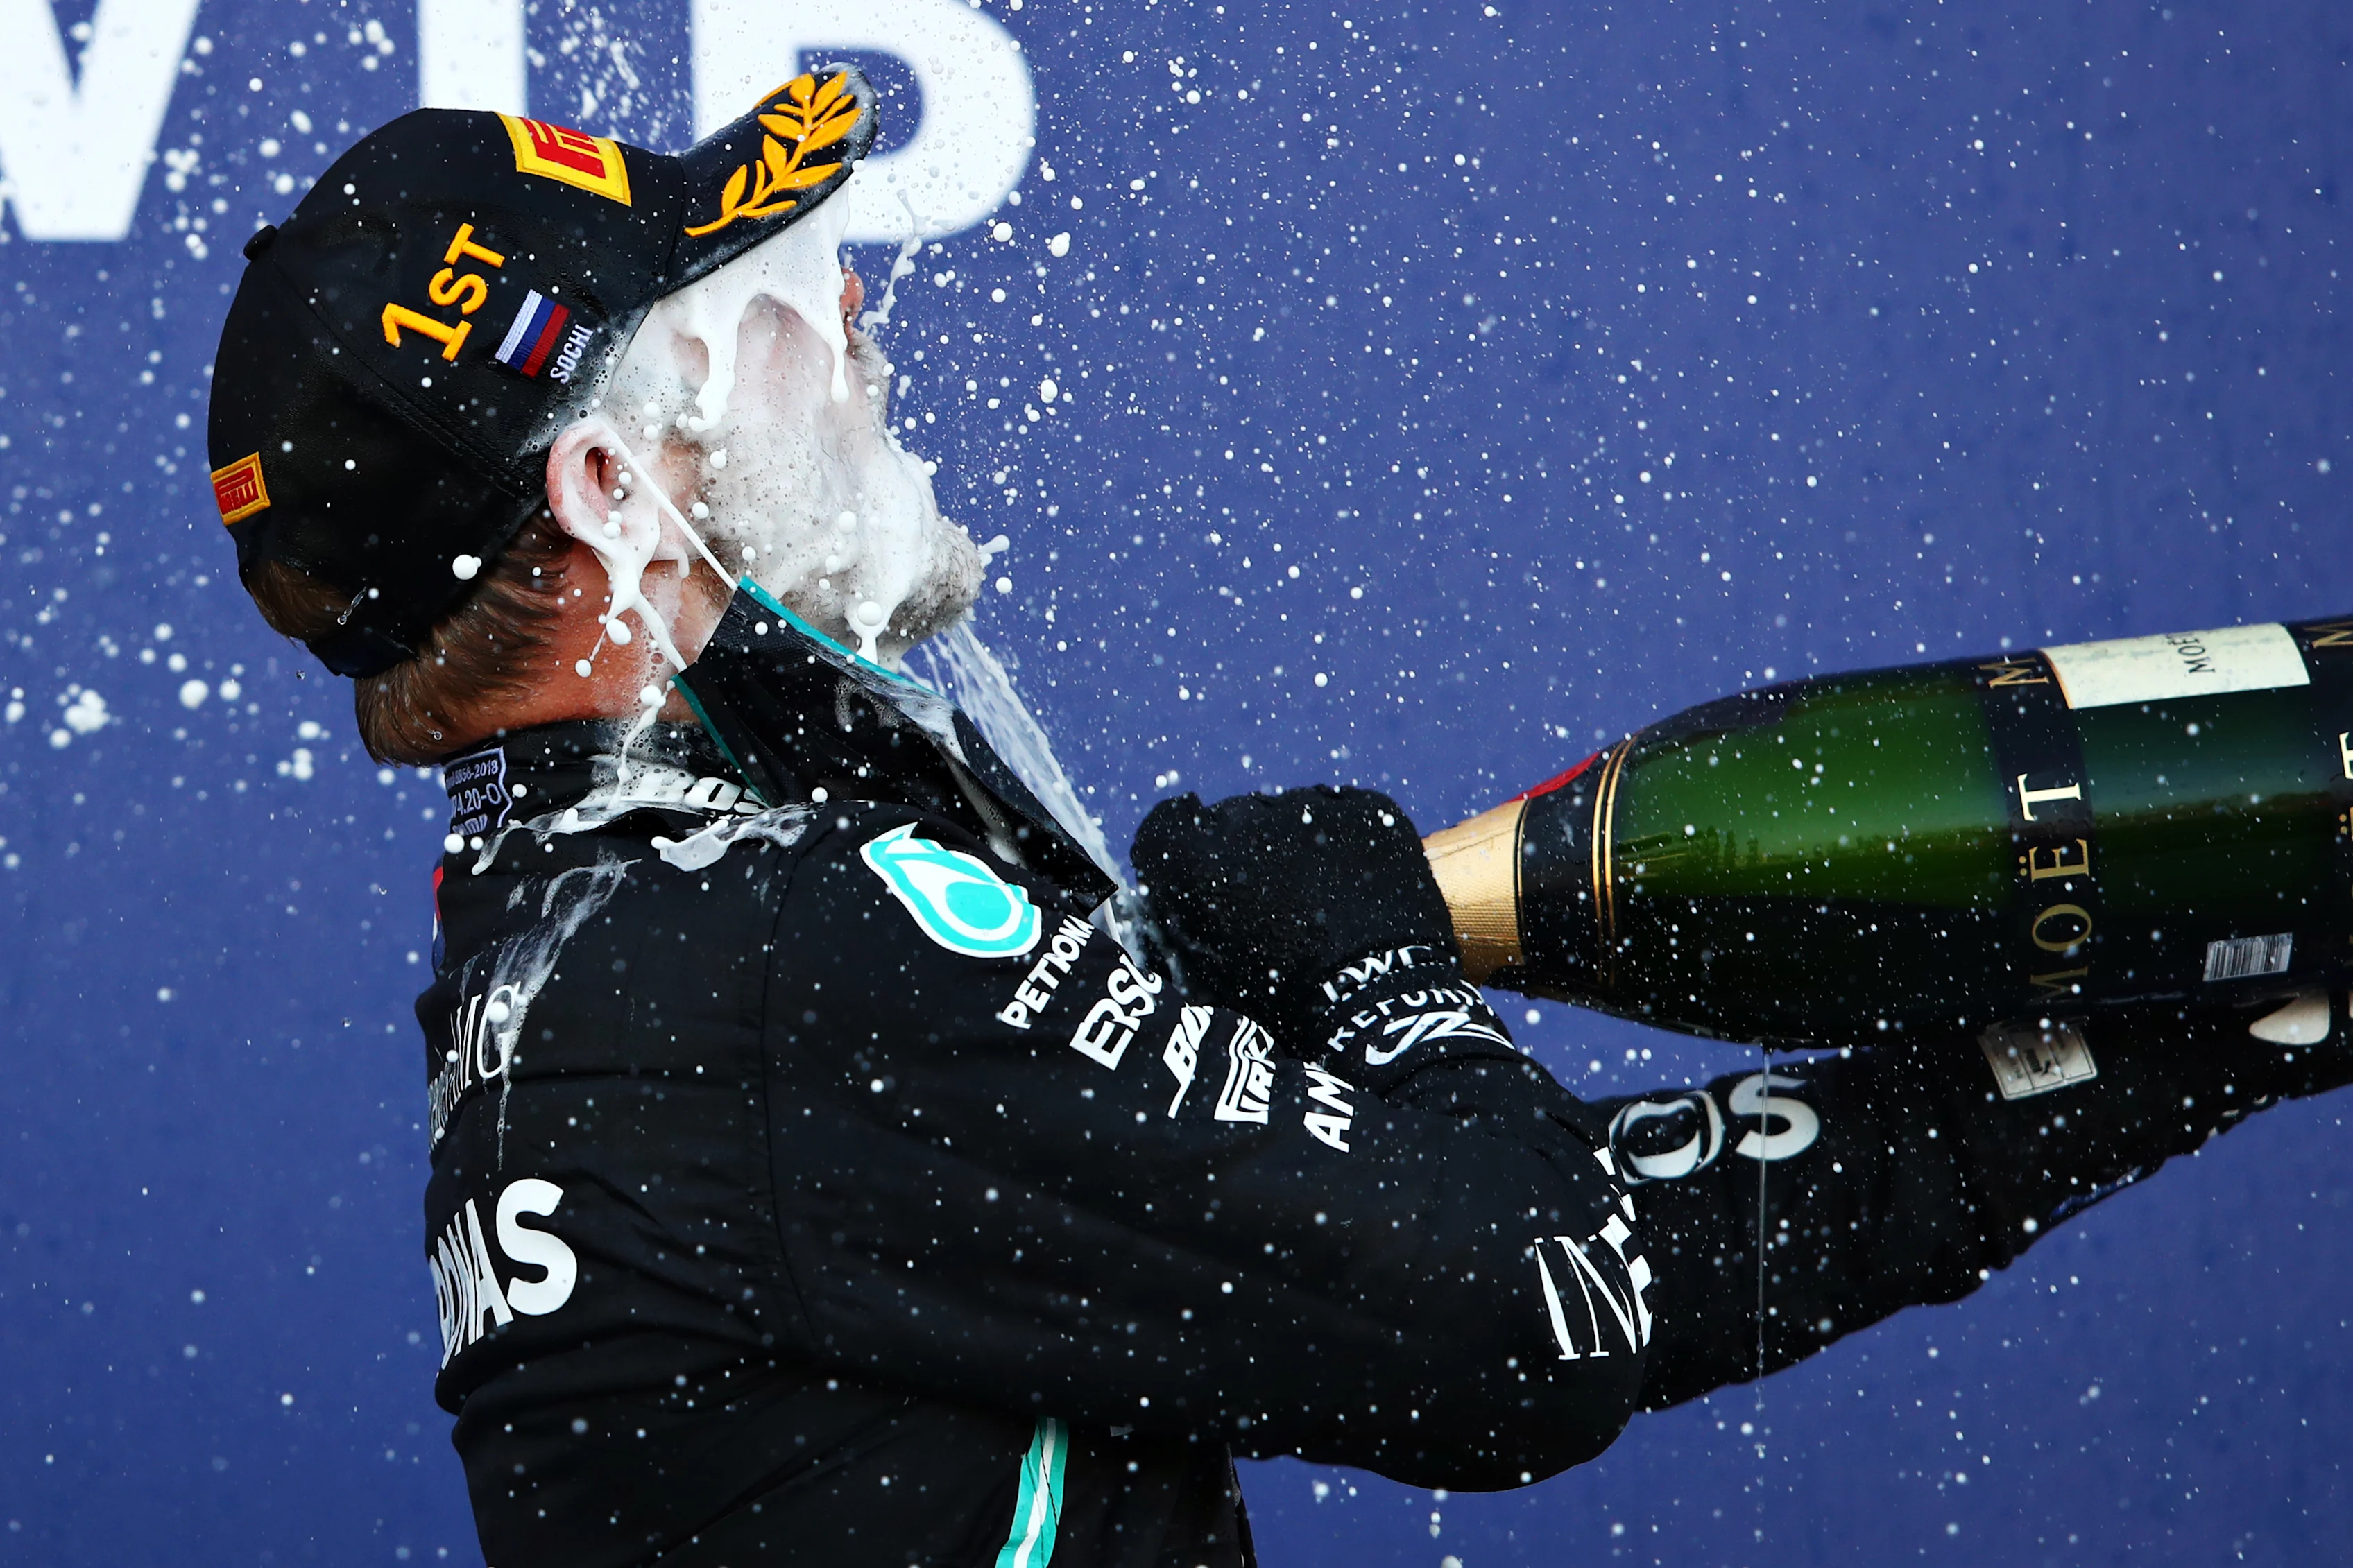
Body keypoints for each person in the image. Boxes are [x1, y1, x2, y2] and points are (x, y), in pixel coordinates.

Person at [205, 73, 2353, 1568]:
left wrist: (2187, 1019)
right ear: (608, 484)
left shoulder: (628, 933)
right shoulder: (750, 972)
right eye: (745, 294)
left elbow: (1546, 1260)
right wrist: (1379, 976)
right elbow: (1533, 1317)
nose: (844, 307)